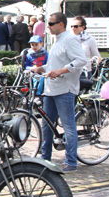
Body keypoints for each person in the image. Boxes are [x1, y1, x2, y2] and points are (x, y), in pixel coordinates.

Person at [32, 12, 87, 172]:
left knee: (68, 125)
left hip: (64, 89)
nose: (47, 26)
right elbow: (54, 63)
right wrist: (41, 68)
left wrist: (61, 71)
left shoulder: (70, 39)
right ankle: (45, 158)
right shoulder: (57, 40)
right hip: (51, 89)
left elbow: (81, 60)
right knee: (47, 124)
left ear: (61, 24)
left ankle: (71, 162)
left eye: (51, 23)